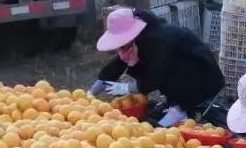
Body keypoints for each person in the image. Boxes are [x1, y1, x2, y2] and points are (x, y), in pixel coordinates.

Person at [89, 8, 225, 128]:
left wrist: (128, 88)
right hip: (181, 76)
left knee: (170, 68)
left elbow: (155, 75)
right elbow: (118, 64)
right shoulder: (138, 40)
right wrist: (91, 93)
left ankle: (180, 109)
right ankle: (176, 104)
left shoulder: (158, 39)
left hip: (202, 77)